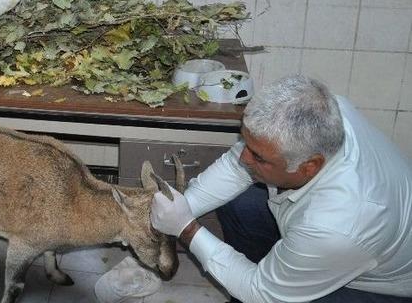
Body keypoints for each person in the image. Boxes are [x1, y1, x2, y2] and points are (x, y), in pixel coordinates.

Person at [150, 75, 412, 303]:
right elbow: (234, 167)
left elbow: (262, 293)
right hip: (339, 243)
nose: (244, 158)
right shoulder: (327, 114)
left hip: (379, 285)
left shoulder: (339, 225)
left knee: (266, 295)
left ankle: (272, 282)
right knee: (243, 205)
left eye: (260, 157)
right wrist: (180, 210)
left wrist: (186, 229)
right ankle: (262, 277)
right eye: (246, 143)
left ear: (309, 166)